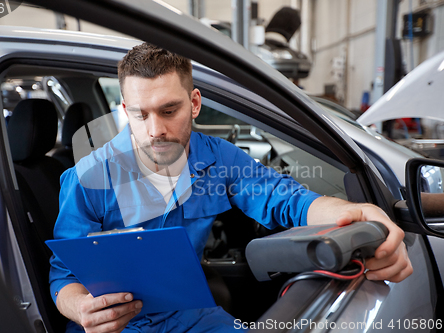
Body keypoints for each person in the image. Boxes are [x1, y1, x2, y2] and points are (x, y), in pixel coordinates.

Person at [49, 43, 413, 333]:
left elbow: (288, 200)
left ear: (194, 104)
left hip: (192, 316)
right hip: (116, 325)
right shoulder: (88, 178)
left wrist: (357, 213)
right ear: (126, 110)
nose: (155, 129)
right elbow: (63, 276)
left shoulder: (219, 159)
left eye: (168, 110)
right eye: (141, 114)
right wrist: (82, 309)